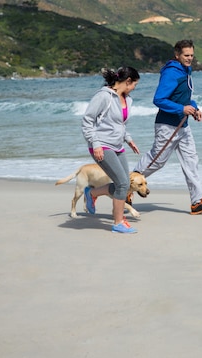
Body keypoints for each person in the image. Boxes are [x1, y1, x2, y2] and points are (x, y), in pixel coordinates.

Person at [133, 39, 202, 215]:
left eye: (192, 55)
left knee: (191, 161)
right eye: (186, 55)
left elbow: (184, 97)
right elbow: (159, 99)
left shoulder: (186, 70)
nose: (189, 58)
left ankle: (197, 201)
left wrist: (194, 108)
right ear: (177, 55)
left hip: (183, 126)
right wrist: (181, 108)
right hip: (167, 126)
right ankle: (127, 184)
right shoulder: (171, 72)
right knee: (157, 161)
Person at [81, 66, 141, 233]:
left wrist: (128, 140)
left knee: (124, 183)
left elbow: (119, 125)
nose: (134, 88)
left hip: (118, 145)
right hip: (101, 145)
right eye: (134, 84)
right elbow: (88, 121)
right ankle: (118, 223)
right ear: (127, 82)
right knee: (122, 183)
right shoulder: (103, 96)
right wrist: (95, 143)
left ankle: (92, 193)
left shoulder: (128, 100)